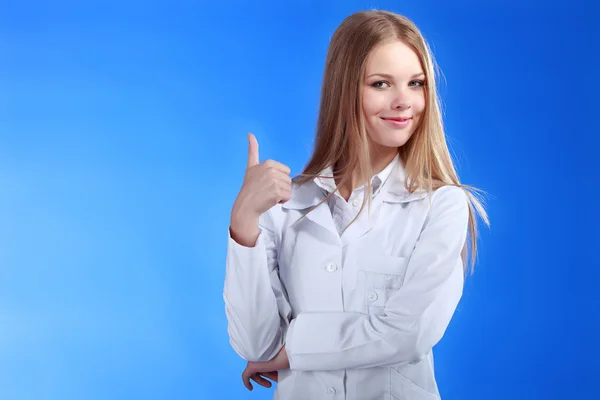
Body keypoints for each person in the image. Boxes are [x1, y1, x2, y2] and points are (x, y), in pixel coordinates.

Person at [223, 9, 489, 400]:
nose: (404, 102)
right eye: (381, 83)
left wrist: (293, 350)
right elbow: (255, 347)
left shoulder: (442, 205)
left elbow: (409, 332)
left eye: (415, 84)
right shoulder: (284, 206)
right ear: (344, 89)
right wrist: (243, 221)